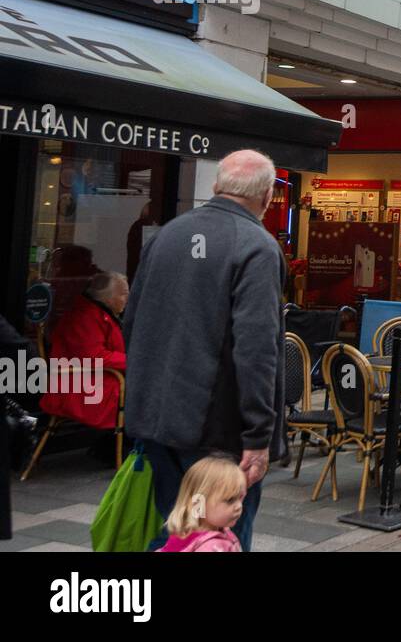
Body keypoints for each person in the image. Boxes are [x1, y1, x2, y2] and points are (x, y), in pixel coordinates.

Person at [125, 149, 285, 553]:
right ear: (267, 197)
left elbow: (133, 321)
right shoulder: (257, 246)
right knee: (220, 534)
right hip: (219, 430)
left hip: (160, 420)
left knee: (174, 530)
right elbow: (257, 349)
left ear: (216, 188)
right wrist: (258, 435)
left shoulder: (167, 234)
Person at [40, 272, 129, 444]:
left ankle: (115, 448)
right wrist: (134, 362)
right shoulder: (85, 317)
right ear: (108, 297)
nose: (127, 299)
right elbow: (95, 356)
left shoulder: (97, 312)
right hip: (79, 386)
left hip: (95, 378)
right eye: (124, 294)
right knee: (147, 392)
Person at [155, 455, 246, 553]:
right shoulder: (212, 547)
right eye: (230, 500)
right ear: (199, 504)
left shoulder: (184, 535)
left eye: (240, 498)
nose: (239, 506)